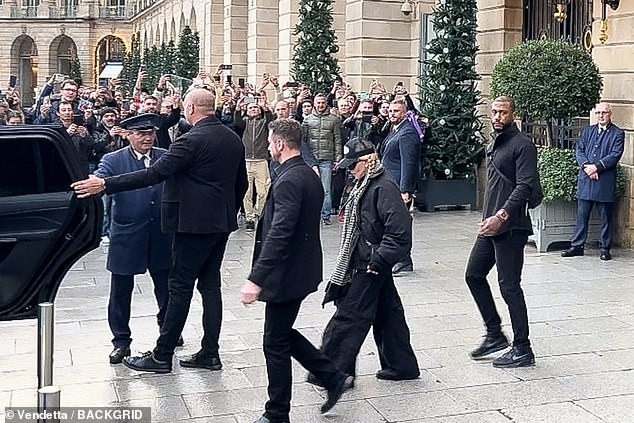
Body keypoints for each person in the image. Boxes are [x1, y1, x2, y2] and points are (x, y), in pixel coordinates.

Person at [72, 88, 248, 373]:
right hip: (221, 225)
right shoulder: (232, 138)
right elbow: (241, 184)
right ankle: (210, 352)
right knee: (210, 287)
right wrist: (226, 213)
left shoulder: (189, 140)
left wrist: (106, 185)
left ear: (190, 108)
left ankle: (162, 355)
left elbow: (154, 173)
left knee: (178, 287)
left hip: (192, 226)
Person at [240, 119, 353, 423]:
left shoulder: (290, 179)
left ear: (280, 144)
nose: (267, 146)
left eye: (269, 142)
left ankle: (277, 412)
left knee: (274, 341)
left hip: (286, 273)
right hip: (300, 270)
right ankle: (332, 377)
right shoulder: (306, 174)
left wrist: (256, 277)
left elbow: (281, 232)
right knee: (280, 334)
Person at [311, 137, 419, 386]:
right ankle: (401, 365)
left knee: (348, 316)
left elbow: (400, 231)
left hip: (369, 263)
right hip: (366, 260)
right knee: (388, 314)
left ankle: (331, 372)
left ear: (368, 161)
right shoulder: (364, 184)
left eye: (353, 165)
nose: (350, 170)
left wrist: (378, 260)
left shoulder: (383, 187)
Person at [94, 114, 177, 364]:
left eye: (150, 133)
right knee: (121, 290)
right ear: (128, 135)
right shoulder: (113, 160)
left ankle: (169, 331)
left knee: (166, 287)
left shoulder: (165, 156)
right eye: (140, 134)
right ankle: (121, 341)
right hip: (128, 234)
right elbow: (100, 179)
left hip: (161, 234)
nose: (147, 138)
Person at [465, 96, 538, 368]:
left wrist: (502, 215)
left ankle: (523, 348)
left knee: (509, 286)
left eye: (503, 112)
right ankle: (495, 334)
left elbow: (525, 185)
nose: (497, 116)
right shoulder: (495, 142)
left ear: (513, 114)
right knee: (473, 275)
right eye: (494, 112)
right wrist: (488, 218)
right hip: (490, 225)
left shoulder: (522, 145)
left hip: (511, 226)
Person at [561, 102, 625, 261]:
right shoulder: (588, 131)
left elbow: (615, 155)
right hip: (586, 180)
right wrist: (586, 167)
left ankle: (605, 248)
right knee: (582, 216)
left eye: (604, 113)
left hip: (604, 181)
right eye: (598, 113)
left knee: (605, 217)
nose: (601, 116)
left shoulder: (617, 133)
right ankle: (577, 246)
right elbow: (580, 150)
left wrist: (596, 167)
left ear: (610, 114)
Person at [379, 99, 420, 274]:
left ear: (404, 113)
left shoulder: (407, 132)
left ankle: (404, 259)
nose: (392, 114)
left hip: (398, 185)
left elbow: (408, 163)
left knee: (399, 224)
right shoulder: (394, 130)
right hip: (390, 183)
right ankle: (398, 258)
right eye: (390, 111)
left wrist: (406, 190)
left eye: (396, 111)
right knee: (392, 223)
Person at [302, 94, 343, 226]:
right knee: (310, 188)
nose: (320, 105)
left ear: (326, 104)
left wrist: (338, 159)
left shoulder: (334, 120)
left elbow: (337, 140)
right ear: (314, 103)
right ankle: (311, 214)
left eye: (323, 103)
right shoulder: (307, 120)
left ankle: (325, 215)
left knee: (326, 189)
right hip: (311, 159)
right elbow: (304, 141)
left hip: (327, 158)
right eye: (318, 103)